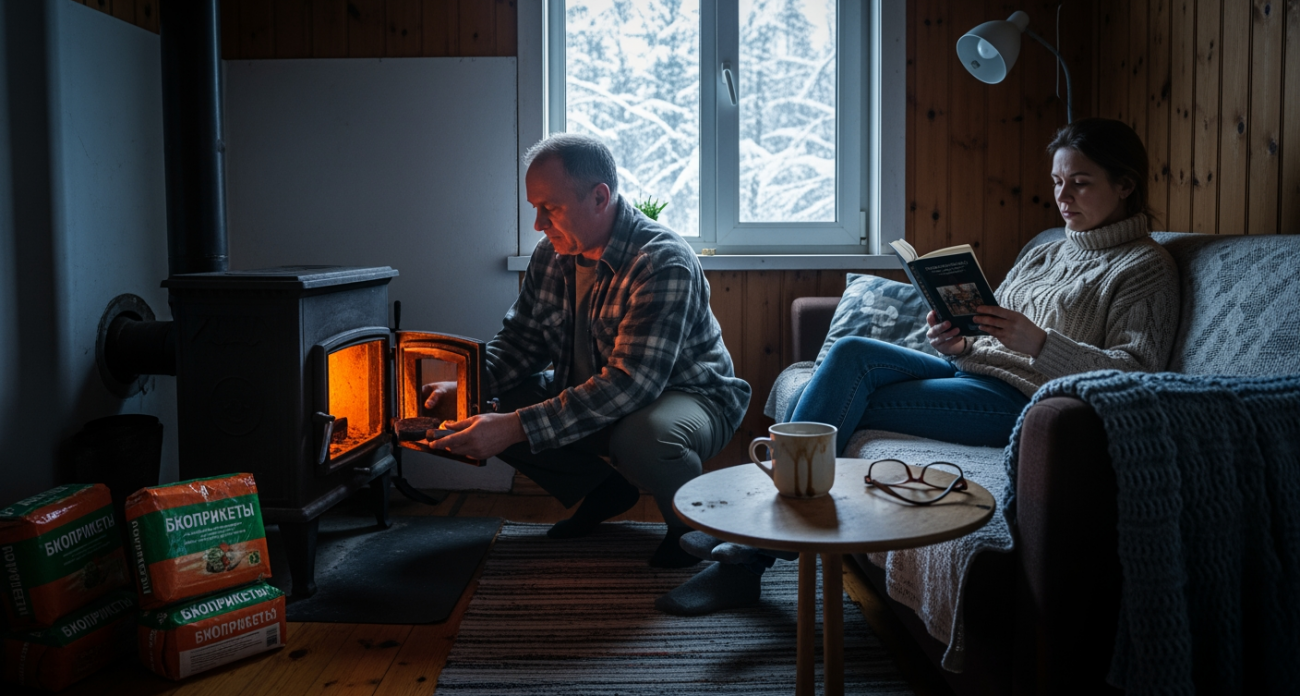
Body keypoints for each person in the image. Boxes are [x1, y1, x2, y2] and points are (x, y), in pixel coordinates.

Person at [656, 117, 1181, 615]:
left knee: (839, 402)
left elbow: (1137, 375)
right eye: (1058, 182)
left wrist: (1040, 343)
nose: (1063, 197)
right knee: (849, 354)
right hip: (973, 374)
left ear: (1126, 185)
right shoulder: (1048, 249)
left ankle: (750, 557)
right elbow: (991, 338)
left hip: (1026, 403)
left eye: (1081, 183)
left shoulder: (1144, 267)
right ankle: (757, 535)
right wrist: (954, 342)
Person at [423, 133, 751, 568]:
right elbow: (520, 343)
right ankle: (603, 490)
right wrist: (463, 385)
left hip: (689, 398)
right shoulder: (550, 254)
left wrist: (513, 427)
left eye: (550, 208)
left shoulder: (660, 261)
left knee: (645, 436)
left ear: (600, 197)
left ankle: (692, 530)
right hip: (599, 393)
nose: (538, 224)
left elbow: (630, 386)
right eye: (535, 208)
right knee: (486, 403)